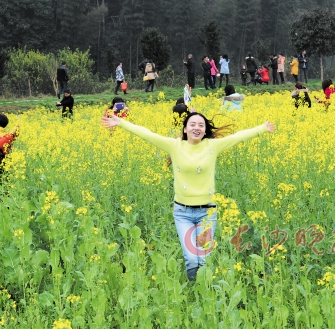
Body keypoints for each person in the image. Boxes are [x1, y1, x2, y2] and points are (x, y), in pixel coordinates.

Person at [100, 111, 276, 281]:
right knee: (192, 258)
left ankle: (204, 290)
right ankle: (195, 289)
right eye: (192, 124)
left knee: (205, 259)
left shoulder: (212, 146)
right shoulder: (174, 146)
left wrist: (262, 128)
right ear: (185, 129)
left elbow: (238, 137)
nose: (196, 127)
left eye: (201, 125)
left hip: (207, 213)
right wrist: (121, 123)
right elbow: (147, 135)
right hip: (182, 213)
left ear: (205, 131)